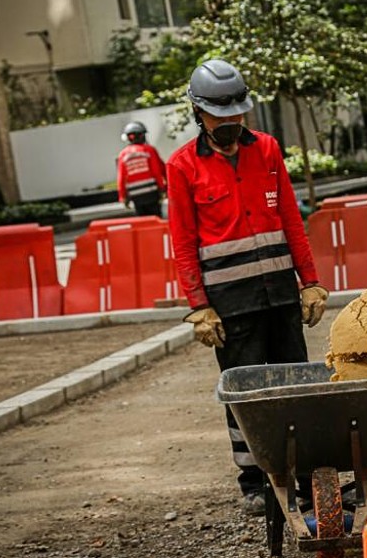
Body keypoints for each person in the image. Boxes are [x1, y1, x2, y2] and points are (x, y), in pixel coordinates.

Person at [165, 58, 330, 514]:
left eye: (238, 113)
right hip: (231, 304)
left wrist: (310, 281)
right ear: (199, 113)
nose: (232, 122)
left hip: (279, 294)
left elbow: (292, 221)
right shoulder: (181, 166)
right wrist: (199, 306)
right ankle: (255, 480)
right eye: (221, 114)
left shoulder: (268, 149)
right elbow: (183, 241)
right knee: (244, 391)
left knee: (296, 383)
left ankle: (304, 477)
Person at [116, 121, 167, 217]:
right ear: (142, 135)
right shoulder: (149, 150)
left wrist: (123, 197)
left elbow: (121, 178)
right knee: (156, 219)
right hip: (152, 193)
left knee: (143, 221)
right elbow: (157, 171)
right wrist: (162, 189)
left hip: (136, 196)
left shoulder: (123, 154)